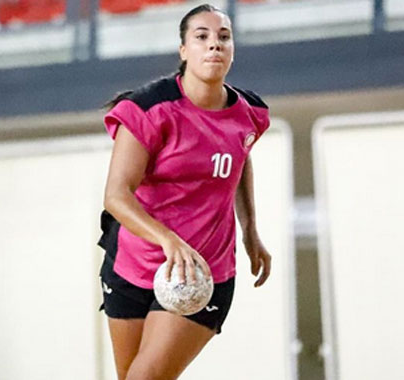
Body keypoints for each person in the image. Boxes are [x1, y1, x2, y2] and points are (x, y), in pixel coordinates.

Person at [97, 4, 273, 380]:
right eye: (202, 37)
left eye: (223, 37)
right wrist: (167, 240)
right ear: (183, 50)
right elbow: (116, 195)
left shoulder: (250, 114)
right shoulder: (148, 108)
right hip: (131, 265)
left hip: (202, 271)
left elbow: (238, 159)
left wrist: (251, 229)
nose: (214, 46)